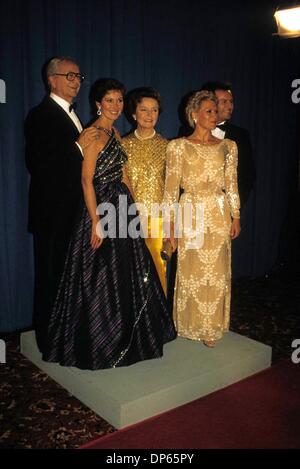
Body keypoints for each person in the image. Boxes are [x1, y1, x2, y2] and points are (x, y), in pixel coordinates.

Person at [42, 78, 176, 370]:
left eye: (118, 101)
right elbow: (86, 180)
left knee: (127, 274)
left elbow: (125, 176)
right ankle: (101, 343)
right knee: (99, 277)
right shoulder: (91, 135)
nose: (115, 106)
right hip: (102, 207)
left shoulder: (115, 132)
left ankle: (130, 335)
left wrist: (135, 211)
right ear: (98, 104)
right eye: (109, 101)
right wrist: (96, 221)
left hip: (123, 206)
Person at [25, 56, 99, 353]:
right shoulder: (39, 115)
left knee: (70, 279)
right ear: (51, 79)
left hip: (75, 212)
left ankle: (65, 336)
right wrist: (79, 146)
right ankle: (47, 341)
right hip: (52, 213)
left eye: (79, 76)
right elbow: (38, 163)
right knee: (50, 277)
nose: (75, 81)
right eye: (69, 75)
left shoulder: (74, 115)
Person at [163, 91, 240, 347]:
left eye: (215, 111)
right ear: (194, 115)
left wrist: (236, 215)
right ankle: (190, 324)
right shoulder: (177, 146)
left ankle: (212, 327)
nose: (214, 115)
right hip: (191, 211)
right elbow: (171, 190)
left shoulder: (228, 147)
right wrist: (169, 227)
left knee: (216, 272)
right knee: (192, 271)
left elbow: (232, 185)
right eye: (209, 111)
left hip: (219, 214)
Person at [122, 87, 168, 294]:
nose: (150, 115)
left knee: (158, 267)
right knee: (131, 271)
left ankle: (159, 322)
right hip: (131, 217)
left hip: (158, 219)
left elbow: (172, 189)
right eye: (144, 110)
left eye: (154, 110)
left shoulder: (168, 146)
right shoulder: (123, 145)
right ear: (133, 114)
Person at [200, 81, 255, 208]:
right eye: (224, 101)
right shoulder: (187, 132)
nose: (230, 106)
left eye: (231, 102)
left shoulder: (241, 136)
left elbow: (247, 175)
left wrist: (234, 207)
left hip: (224, 211)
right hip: (193, 211)